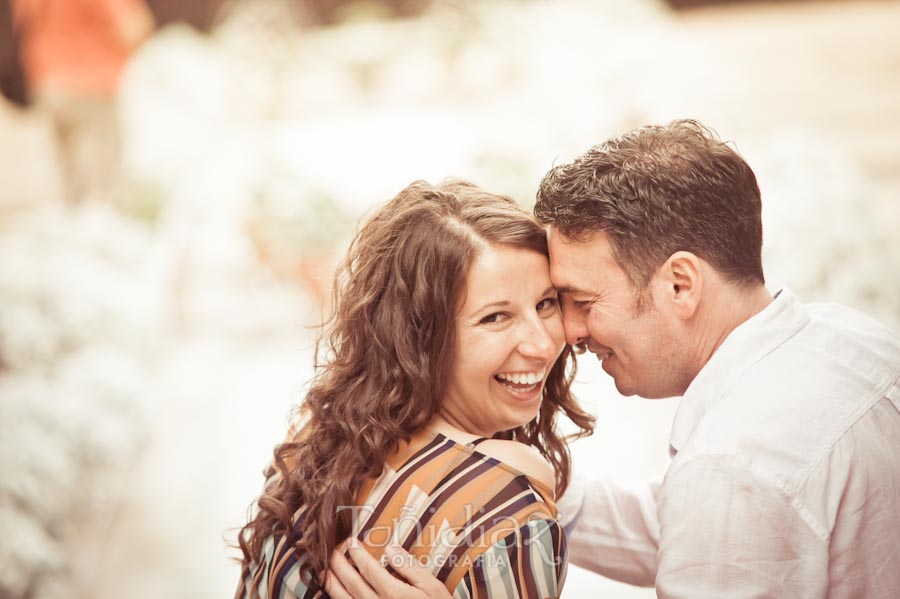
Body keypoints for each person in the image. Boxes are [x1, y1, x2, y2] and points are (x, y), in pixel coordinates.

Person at [326, 120, 900, 598]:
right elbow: (694, 530)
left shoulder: (732, 467)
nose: (566, 333)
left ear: (681, 285)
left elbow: (730, 507)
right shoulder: (850, 339)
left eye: (581, 301)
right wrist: (535, 475)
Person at [235, 180, 594, 599]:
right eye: (495, 317)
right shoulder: (507, 518)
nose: (543, 343)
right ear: (418, 339)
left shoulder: (317, 442)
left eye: (546, 303)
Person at [10, 0, 154, 203]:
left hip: (47, 83)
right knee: (101, 186)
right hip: (92, 86)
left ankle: (74, 222)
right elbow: (133, 27)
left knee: (72, 181)